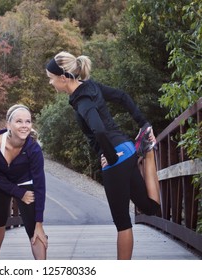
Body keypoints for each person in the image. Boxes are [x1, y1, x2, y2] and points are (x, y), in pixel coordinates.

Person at [45, 51, 161, 260]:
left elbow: (98, 130)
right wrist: (143, 122)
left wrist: (112, 157)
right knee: (149, 208)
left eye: (51, 79)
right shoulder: (91, 86)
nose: (50, 83)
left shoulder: (82, 101)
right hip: (127, 147)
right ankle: (149, 153)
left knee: (123, 223)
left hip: (115, 157)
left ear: (63, 78)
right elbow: (122, 97)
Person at [0, 104, 48, 260]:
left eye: (28, 121)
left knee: (34, 226)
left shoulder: (34, 149)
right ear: (8, 124)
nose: (24, 126)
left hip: (23, 181)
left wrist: (39, 222)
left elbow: (40, 185)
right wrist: (19, 193)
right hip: (0, 181)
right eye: (19, 121)